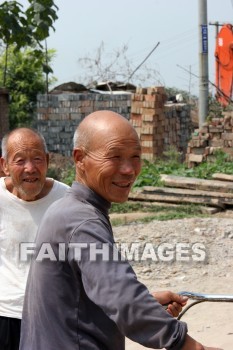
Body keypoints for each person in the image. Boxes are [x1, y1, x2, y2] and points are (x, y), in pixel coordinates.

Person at [20, 111, 221, 350]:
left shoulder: (69, 209)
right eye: (114, 157)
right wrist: (190, 346)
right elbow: (124, 299)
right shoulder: (81, 220)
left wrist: (148, 303)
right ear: (80, 158)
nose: (128, 169)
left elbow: (86, 297)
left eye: (135, 156)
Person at [0, 127, 70, 350]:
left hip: (51, 316)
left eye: (37, 159)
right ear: (4, 165)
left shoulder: (67, 200)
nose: (30, 168)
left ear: (47, 161)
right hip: (4, 316)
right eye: (20, 160)